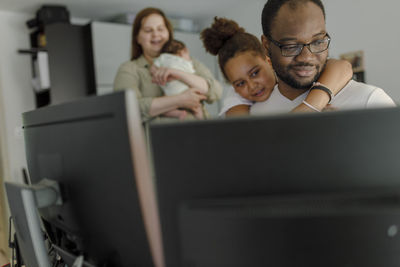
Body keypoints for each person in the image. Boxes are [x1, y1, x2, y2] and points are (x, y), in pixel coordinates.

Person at [219, 0, 395, 115]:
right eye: (291, 46)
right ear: (266, 45)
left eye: (318, 42)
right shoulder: (256, 114)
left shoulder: (370, 101)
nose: (308, 57)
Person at [201, 17, 353, 116]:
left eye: (255, 73)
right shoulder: (236, 97)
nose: (252, 85)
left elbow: (342, 66)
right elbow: (246, 131)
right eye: (240, 83)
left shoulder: (291, 70)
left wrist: (310, 106)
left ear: (268, 59)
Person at [113, 7, 222, 122]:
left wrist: (177, 73)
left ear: (169, 33)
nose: (155, 34)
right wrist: (180, 99)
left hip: (200, 134)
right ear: (137, 38)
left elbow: (216, 91)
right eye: (148, 30)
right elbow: (127, 110)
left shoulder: (188, 61)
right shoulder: (129, 69)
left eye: (160, 29)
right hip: (157, 138)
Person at [153, 39, 204, 119]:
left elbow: (152, 69)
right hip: (186, 91)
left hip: (170, 93)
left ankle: (177, 113)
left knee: (163, 108)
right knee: (198, 108)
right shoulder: (187, 63)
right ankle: (201, 122)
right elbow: (192, 74)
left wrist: (157, 75)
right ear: (184, 51)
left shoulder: (163, 57)